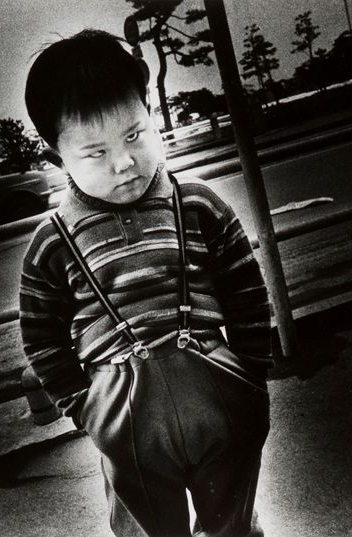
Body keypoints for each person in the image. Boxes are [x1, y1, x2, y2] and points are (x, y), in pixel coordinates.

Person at [20, 29, 286, 537]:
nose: (123, 162)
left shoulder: (199, 205)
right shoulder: (53, 242)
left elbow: (246, 290)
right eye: (94, 153)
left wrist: (249, 371)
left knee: (234, 524)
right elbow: (41, 336)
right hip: (125, 419)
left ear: (151, 116)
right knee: (146, 531)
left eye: (134, 135)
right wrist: (86, 408)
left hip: (220, 398)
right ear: (57, 158)